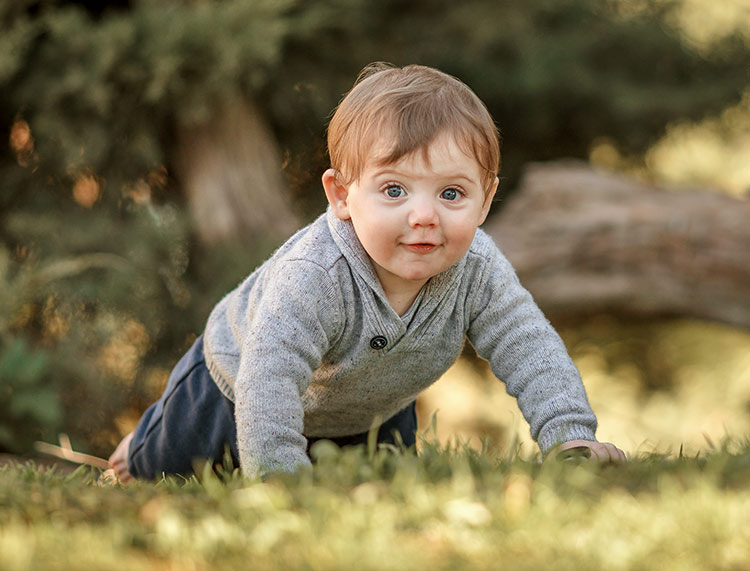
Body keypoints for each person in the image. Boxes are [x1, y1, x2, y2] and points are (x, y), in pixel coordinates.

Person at [109, 62, 625, 483]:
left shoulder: (479, 270)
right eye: (394, 190)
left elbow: (529, 346)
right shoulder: (316, 274)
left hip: (370, 411)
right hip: (231, 386)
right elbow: (269, 375)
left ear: (485, 199)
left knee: (381, 492)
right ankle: (144, 442)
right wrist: (281, 478)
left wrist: (570, 436)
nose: (423, 215)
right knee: (169, 469)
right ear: (342, 196)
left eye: (451, 194)